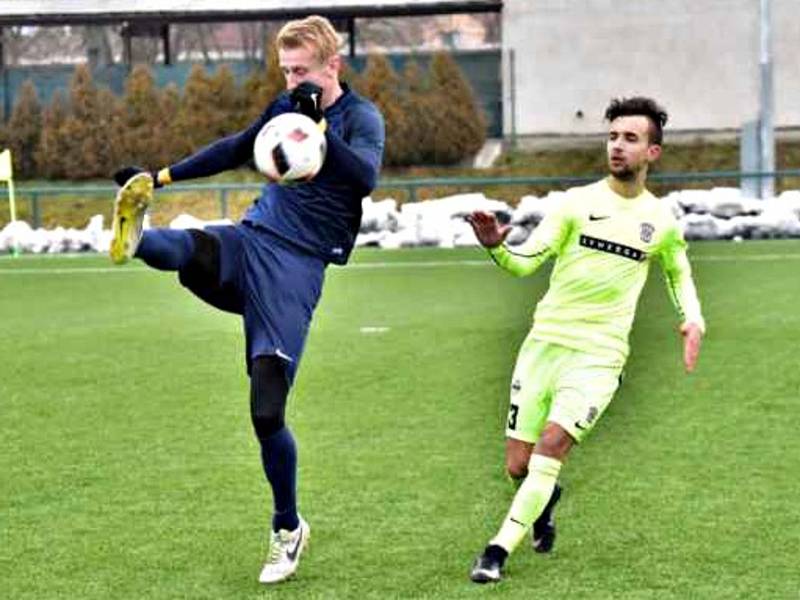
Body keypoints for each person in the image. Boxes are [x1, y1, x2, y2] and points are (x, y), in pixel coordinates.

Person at [109, 15, 384, 584]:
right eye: (285, 71)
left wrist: (318, 133)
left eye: (302, 70)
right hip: (256, 238)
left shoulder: (361, 118)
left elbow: (364, 179)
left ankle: (289, 528)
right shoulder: (285, 107)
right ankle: (135, 235)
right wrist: (158, 177)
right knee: (195, 248)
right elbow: (237, 147)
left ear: (333, 65)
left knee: (266, 414)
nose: (291, 81)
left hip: (298, 270)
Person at [467, 96, 704, 583]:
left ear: (652, 153)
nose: (618, 146)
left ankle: (496, 550)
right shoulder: (574, 204)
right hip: (544, 346)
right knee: (519, 465)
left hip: (600, 356)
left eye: (630, 138)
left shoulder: (659, 221)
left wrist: (693, 318)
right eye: (613, 136)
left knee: (551, 445)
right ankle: (546, 499)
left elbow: (679, 272)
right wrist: (497, 248)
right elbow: (526, 261)